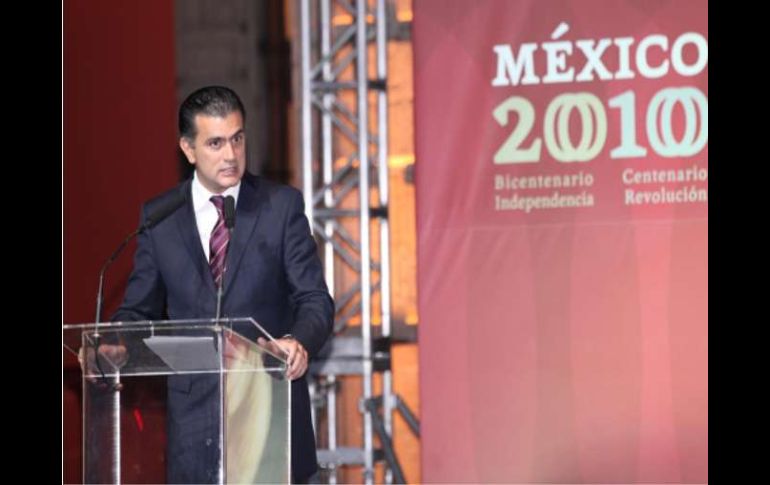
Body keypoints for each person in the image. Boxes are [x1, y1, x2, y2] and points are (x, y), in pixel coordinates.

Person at [112, 85, 334, 483]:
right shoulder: (160, 219)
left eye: (237, 138)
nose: (231, 155)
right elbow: (137, 310)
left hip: (271, 424)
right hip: (195, 438)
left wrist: (298, 342)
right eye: (215, 143)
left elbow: (315, 299)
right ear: (188, 149)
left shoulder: (279, 207)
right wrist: (114, 341)